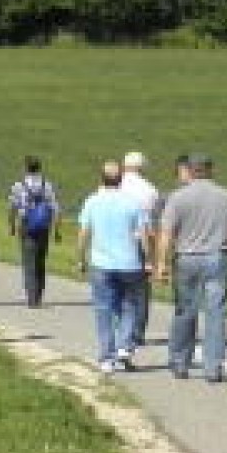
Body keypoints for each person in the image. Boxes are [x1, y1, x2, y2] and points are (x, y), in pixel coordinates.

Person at [154, 153, 227, 381]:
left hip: (187, 257)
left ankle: (180, 361)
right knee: (216, 312)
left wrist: (161, 264)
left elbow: (166, 233)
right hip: (217, 256)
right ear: (211, 170)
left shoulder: (177, 197)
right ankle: (212, 366)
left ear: (189, 171)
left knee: (185, 310)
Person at [77, 160, 151, 373]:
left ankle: (106, 357)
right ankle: (125, 346)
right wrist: (148, 260)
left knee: (104, 310)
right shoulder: (133, 203)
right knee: (130, 306)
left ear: (101, 179)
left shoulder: (92, 201)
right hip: (129, 263)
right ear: (121, 180)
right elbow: (144, 236)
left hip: (101, 263)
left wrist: (81, 258)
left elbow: (83, 233)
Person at [118, 151, 162, 340]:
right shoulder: (150, 190)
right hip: (140, 241)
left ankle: (121, 330)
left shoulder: (115, 186)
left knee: (118, 287)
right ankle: (138, 332)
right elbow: (153, 224)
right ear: (141, 168)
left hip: (116, 242)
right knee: (141, 290)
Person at [7, 156, 60, 307]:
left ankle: (31, 297)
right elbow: (55, 208)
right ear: (39, 168)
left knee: (28, 261)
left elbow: (12, 206)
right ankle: (38, 295)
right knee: (40, 261)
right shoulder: (47, 185)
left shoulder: (19, 185)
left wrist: (11, 224)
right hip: (44, 227)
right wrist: (56, 230)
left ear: (26, 168)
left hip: (26, 226)